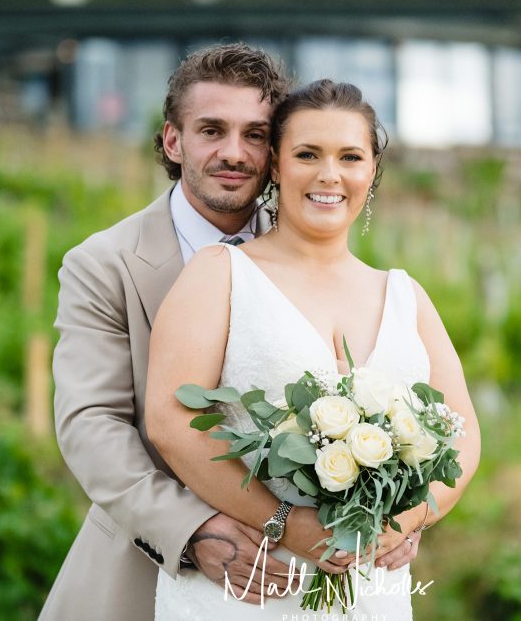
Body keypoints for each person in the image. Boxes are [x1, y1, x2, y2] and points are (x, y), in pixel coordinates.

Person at [40, 46, 422, 620]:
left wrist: (397, 512)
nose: (233, 153)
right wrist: (193, 530)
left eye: (254, 134)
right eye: (212, 130)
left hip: (312, 582)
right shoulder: (105, 264)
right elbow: (90, 426)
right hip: (145, 565)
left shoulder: (315, 247)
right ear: (173, 141)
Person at [145, 79, 481, 618]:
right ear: (275, 165)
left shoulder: (404, 295)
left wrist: (402, 521)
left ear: (372, 171)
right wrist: (286, 523)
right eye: (308, 154)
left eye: (350, 156)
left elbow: (464, 435)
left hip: (371, 588)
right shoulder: (221, 274)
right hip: (247, 582)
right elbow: (169, 420)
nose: (330, 175)